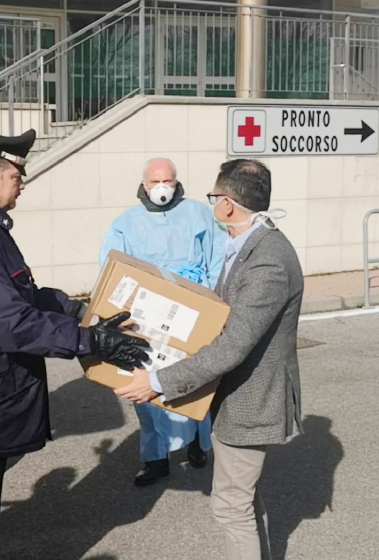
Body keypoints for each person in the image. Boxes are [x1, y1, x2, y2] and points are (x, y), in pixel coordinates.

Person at [0, 129, 151, 560]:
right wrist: (89, 341)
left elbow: (21, 295)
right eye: (17, 175)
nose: (22, 183)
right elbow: (10, 321)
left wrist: (78, 310)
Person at [116, 159, 303, 560]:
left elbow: (233, 345)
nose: (212, 204)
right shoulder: (246, 244)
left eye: (214, 197)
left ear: (229, 204)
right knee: (245, 503)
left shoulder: (267, 260)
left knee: (231, 506)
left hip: (252, 402)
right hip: (235, 397)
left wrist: (158, 381)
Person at [99, 157, 227, 486]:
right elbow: (111, 268)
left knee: (195, 379)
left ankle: (200, 444)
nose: (161, 188)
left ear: (177, 182)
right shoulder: (126, 223)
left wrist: (212, 305)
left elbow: (216, 258)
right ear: (144, 185)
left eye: (167, 181)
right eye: (155, 181)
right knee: (147, 385)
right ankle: (156, 459)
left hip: (193, 311)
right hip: (146, 316)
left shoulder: (199, 214)